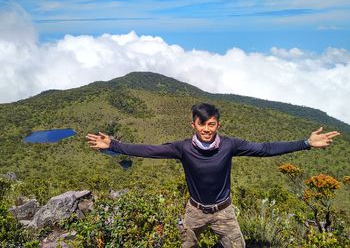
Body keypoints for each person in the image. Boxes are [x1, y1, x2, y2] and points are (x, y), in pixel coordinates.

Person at [86, 103, 340, 248]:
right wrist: (114, 145)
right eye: (202, 124)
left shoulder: (230, 145)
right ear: (193, 125)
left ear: (217, 124)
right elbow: (148, 150)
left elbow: (265, 149)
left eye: (212, 124)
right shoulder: (182, 148)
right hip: (194, 211)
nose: (207, 129)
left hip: (223, 211)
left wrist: (306, 142)